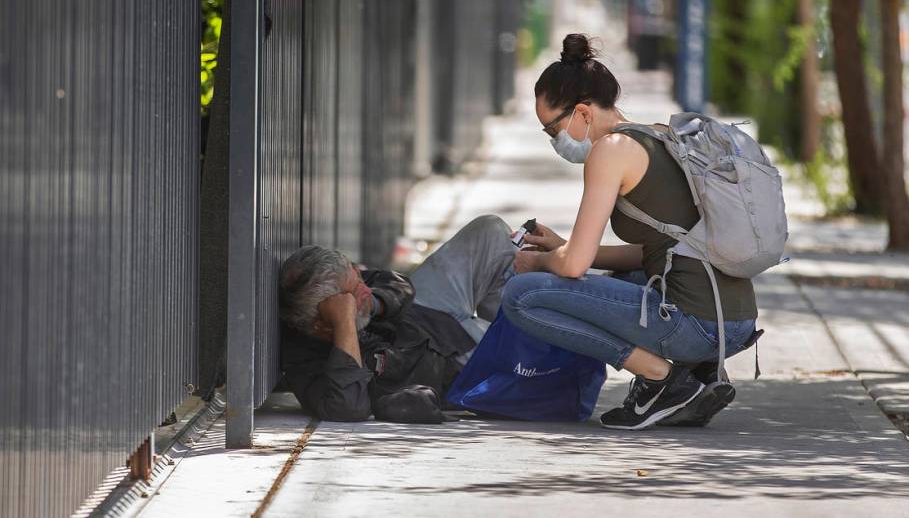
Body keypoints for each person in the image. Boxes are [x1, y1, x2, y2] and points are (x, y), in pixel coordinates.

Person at [501, 33, 760, 430]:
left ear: (583, 114)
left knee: (523, 295)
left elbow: (572, 269)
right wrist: (563, 247)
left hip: (698, 324)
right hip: (734, 321)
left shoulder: (610, 151)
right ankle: (697, 373)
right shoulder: (657, 135)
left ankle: (664, 380)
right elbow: (653, 251)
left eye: (552, 129)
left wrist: (536, 261)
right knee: (617, 276)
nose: (555, 141)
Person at [278, 215, 517, 422]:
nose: (365, 288)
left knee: (491, 230)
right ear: (322, 321)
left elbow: (400, 285)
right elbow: (348, 408)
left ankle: (514, 323)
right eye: (354, 292)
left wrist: (373, 304)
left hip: (428, 311)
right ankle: (520, 339)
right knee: (523, 363)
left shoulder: (350, 285)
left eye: (359, 279)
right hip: (452, 359)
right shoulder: (306, 364)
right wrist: (345, 326)